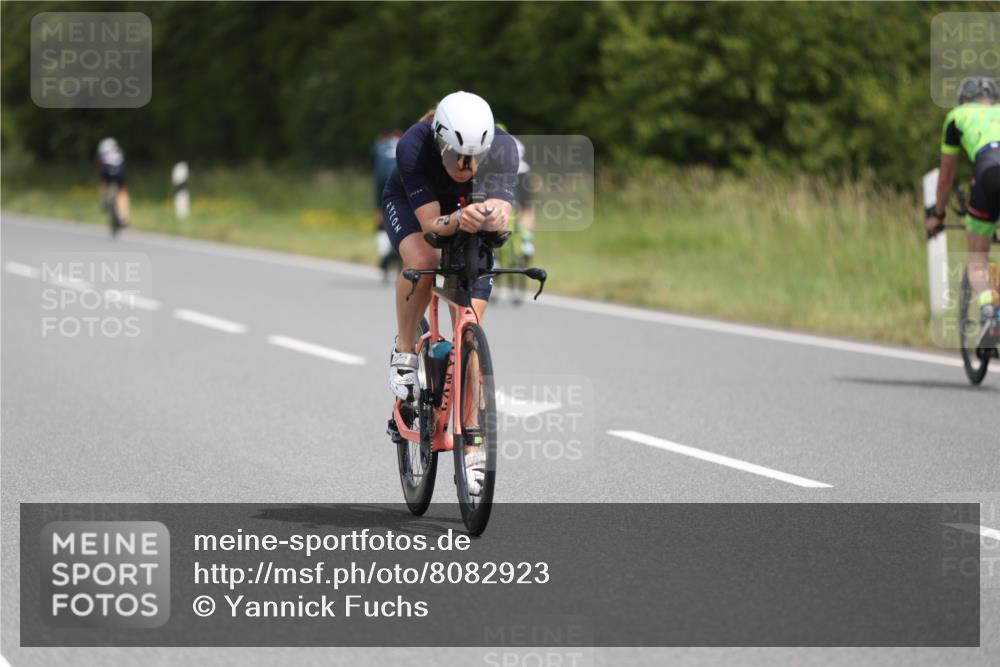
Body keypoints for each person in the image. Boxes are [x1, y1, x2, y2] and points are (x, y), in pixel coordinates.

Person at [382, 91, 517, 491]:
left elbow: (505, 217)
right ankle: (406, 351)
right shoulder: (414, 145)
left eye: (476, 157)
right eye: (458, 155)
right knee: (423, 261)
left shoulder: (505, 150)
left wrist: (494, 214)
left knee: (471, 324)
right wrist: (459, 217)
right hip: (416, 208)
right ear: (441, 142)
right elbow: (430, 227)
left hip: (466, 213)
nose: (467, 165)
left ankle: (473, 449)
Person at [927, 75, 1000, 347]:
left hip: (990, 174)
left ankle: (990, 314)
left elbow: (946, 177)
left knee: (978, 256)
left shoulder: (957, 116)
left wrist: (938, 213)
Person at [372, 129, 403, 282]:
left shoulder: (379, 145)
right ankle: (400, 252)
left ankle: (384, 252)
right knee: (405, 215)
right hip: (401, 177)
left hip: (382, 180)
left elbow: (375, 165)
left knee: (381, 217)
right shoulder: (406, 142)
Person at [96, 137, 130, 225]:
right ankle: (123, 217)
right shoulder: (119, 151)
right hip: (120, 172)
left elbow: (99, 167)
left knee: (103, 183)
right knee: (122, 193)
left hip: (106, 171)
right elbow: (124, 163)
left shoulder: (102, 153)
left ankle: (105, 200)